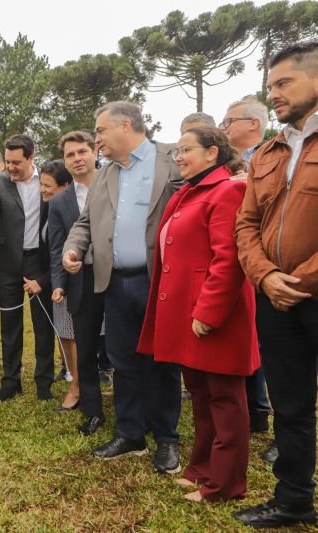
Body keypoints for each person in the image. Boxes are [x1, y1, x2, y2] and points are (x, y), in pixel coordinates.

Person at [138, 127, 259, 503]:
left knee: (225, 399)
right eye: (177, 150)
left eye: (186, 149)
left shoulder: (229, 190)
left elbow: (228, 260)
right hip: (184, 313)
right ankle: (202, 470)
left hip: (212, 313)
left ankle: (225, 485)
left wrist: (209, 311)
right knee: (201, 394)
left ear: (212, 153)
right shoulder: (189, 191)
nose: (178, 156)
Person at [63, 101, 184, 474]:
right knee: (123, 360)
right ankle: (131, 433)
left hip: (158, 281)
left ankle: (166, 438)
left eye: (100, 130)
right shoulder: (103, 174)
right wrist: (73, 247)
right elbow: (85, 222)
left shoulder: (172, 159)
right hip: (115, 283)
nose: (96, 137)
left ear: (125, 126)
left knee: (162, 361)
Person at [234, 40, 318, 529]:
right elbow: (246, 225)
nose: (275, 96)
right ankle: (293, 500)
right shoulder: (269, 150)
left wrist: (299, 280)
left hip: (308, 292)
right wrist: (265, 276)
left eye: (284, 83)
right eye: (270, 87)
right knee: (289, 405)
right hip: (275, 299)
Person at [0, 134, 55, 401]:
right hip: (7, 261)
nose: (10, 168)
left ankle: (44, 384)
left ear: (31, 158)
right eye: (7, 161)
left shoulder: (46, 180)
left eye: (16, 162)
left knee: (43, 325)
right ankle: (11, 381)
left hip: (38, 260)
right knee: (10, 324)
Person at [220, 96, 276, 459]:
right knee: (248, 339)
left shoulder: (272, 157)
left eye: (229, 122)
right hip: (243, 265)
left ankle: (275, 424)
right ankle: (255, 411)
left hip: (274, 267)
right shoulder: (230, 165)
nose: (224, 128)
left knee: (275, 350)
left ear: (253, 124)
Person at [50, 131, 107, 436]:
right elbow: (57, 245)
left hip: (117, 276)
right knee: (84, 349)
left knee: (122, 347)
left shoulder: (116, 184)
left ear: (95, 151)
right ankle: (93, 410)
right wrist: (59, 282)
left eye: (81, 151)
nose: (77, 158)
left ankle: (131, 406)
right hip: (80, 280)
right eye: (70, 155)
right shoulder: (60, 202)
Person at [40, 161, 78, 411]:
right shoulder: (49, 206)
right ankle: (77, 383)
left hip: (77, 277)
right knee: (65, 334)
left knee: (77, 337)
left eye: (48, 185)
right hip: (60, 282)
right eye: (41, 184)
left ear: (65, 186)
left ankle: (79, 386)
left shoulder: (73, 208)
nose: (42, 190)